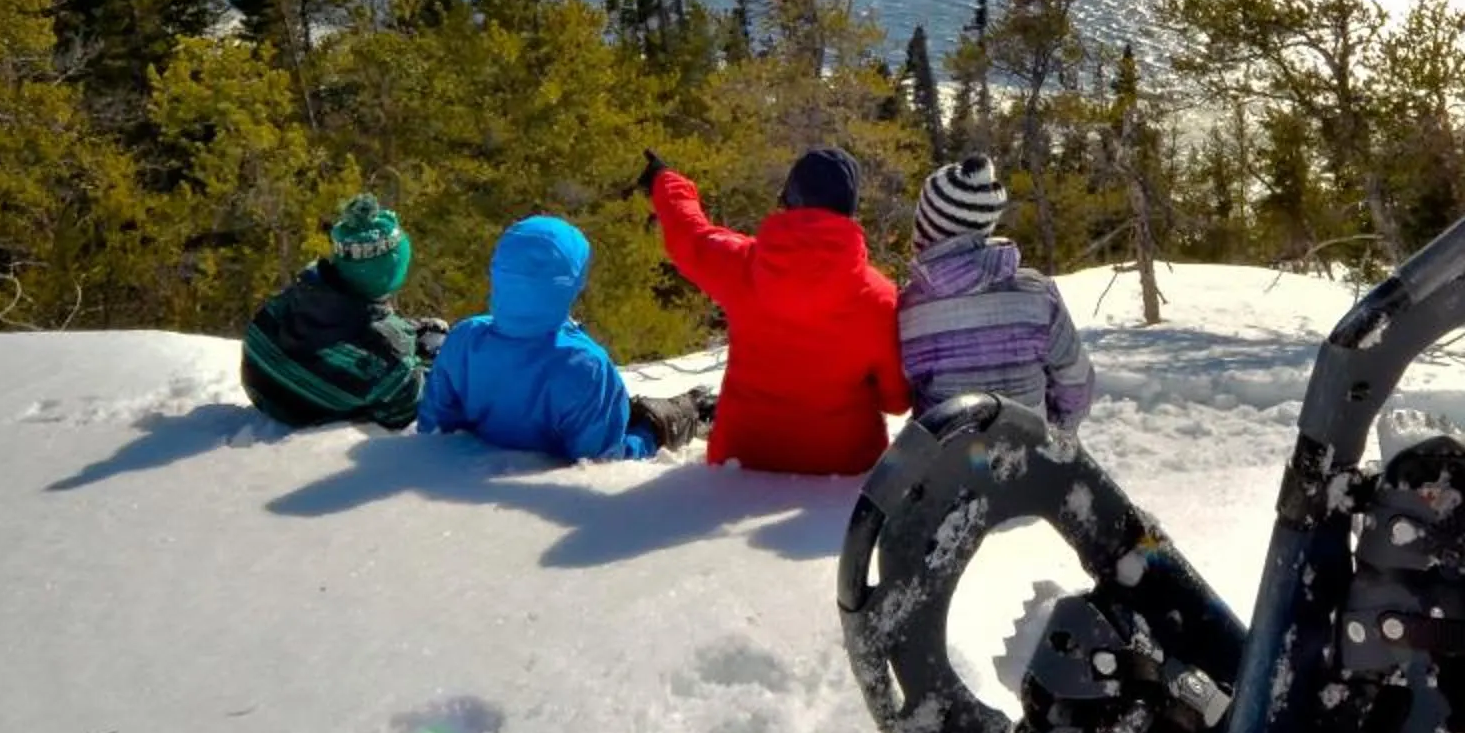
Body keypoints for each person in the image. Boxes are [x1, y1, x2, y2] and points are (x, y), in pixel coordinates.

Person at [639, 145, 908, 475]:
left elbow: (690, 235)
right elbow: (896, 402)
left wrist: (665, 180)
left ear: (788, 199)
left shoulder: (742, 265)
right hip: (842, 474)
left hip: (742, 462)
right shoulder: (879, 298)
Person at [418, 214, 714, 461]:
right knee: (659, 419)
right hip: (561, 479)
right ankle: (684, 416)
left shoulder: (465, 338)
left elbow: (434, 429)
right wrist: (648, 435)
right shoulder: (584, 365)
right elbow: (601, 462)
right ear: (572, 284)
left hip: (470, 478)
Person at [894, 154, 1094, 429]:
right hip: (1028, 455)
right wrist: (1054, 432)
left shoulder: (909, 309)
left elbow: (902, 391)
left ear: (926, 229)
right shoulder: (1038, 293)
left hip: (946, 464)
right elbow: (1076, 380)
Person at [242, 194, 443, 430]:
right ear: (391, 273)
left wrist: (406, 331)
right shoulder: (389, 351)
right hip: (305, 413)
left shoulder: (303, 289)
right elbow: (403, 413)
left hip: (261, 385)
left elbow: (342, 328)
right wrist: (433, 362)